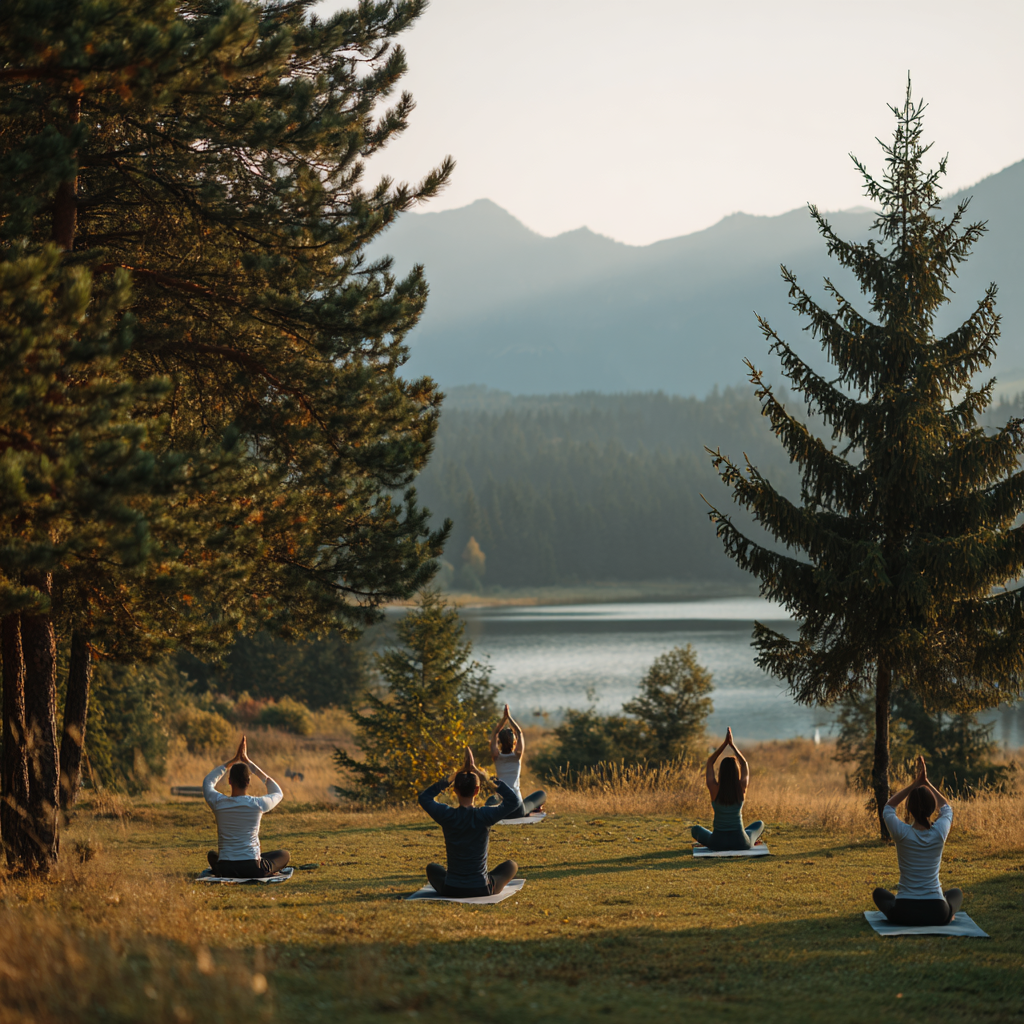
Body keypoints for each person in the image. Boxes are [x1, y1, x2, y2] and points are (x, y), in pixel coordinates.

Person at [418, 746, 521, 897]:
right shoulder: (485, 815)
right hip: (481, 888)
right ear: (477, 790)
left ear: (455, 790)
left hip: (451, 888)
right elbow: (514, 802)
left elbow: (424, 798)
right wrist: (484, 776)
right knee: (511, 865)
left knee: (432, 868)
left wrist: (455, 774)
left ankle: (462, 879)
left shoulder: (446, 815)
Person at [872, 755, 962, 926]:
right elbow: (946, 808)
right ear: (931, 808)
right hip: (937, 912)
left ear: (909, 808)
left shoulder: (901, 832)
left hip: (904, 911)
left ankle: (896, 911)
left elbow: (889, 807)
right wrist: (926, 782)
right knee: (956, 893)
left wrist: (914, 784)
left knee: (879, 893)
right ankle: (949, 914)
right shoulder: (940, 832)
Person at [203, 735, 290, 879]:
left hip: (226, 867)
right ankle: (246, 863)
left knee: (212, 855)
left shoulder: (218, 803)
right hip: (252, 868)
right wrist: (249, 763)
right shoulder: (257, 804)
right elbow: (277, 792)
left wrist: (231, 762)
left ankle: (219, 867)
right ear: (248, 781)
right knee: (284, 855)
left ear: (230, 781)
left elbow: (208, 782)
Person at [690, 727, 765, 851]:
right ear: (737, 773)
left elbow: (710, 762)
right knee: (759, 824)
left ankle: (742, 835)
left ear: (721, 772)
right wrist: (732, 745)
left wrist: (724, 744)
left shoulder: (714, 789)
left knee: (695, 829)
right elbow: (744, 763)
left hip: (717, 843)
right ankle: (748, 837)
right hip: (741, 842)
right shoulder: (742, 788)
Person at [484, 703, 547, 817]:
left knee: (490, 800)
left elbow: (494, 734)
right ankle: (534, 809)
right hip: (518, 809)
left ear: (500, 742)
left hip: (502, 810)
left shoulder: (496, 757)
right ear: (514, 742)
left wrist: (504, 719)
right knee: (541, 794)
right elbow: (519, 732)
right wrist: (509, 717)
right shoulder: (517, 755)